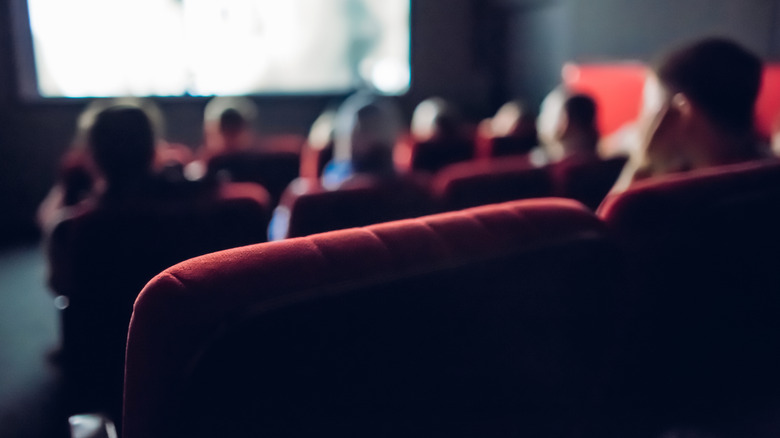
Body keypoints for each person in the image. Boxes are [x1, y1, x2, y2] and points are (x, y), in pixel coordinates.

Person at [612, 37, 764, 192]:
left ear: (681, 112)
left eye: (648, 107)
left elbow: (612, 213)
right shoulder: (767, 179)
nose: (641, 121)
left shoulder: (680, 202)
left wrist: (642, 165)